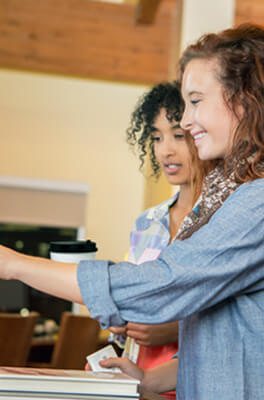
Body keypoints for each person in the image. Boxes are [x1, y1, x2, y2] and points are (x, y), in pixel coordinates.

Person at [0, 23, 264, 399]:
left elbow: (160, 285)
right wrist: (152, 378)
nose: (185, 121)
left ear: (246, 99)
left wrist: (12, 263)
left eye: (196, 101)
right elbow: (237, 339)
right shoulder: (229, 195)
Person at [102, 81, 211, 400]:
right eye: (156, 137)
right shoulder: (146, 222)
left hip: (197, 379)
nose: (165, 150)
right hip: (140, 378)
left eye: (179, 135)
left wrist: (172, 329)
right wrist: (122, 321)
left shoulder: (226, 220)